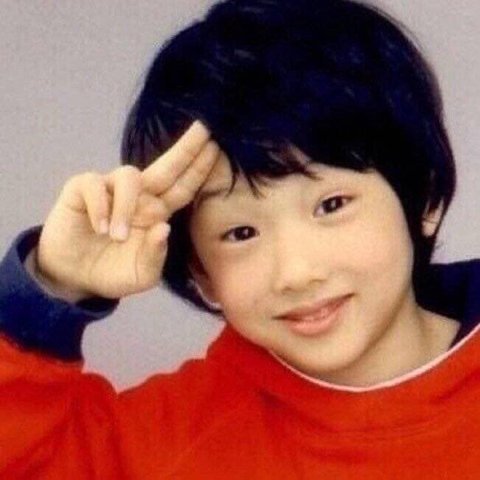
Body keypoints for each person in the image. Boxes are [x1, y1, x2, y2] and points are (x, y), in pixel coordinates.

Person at [1, 0, 479, 478]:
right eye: (240, 232)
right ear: (200, 272)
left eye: (331, 205)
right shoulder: (174, 440)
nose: (296, 272)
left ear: (425, 198)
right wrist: (50, 291)